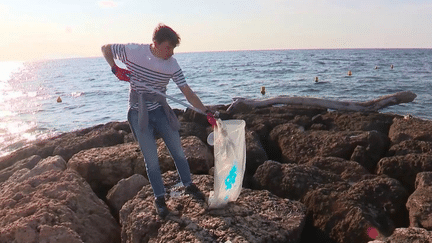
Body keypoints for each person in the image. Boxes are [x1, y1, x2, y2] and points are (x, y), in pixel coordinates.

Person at [101, 24, 216, 219]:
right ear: (155, 43)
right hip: (139, 112)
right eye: (167, 47)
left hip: (161, 110)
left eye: (173, 48)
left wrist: (206, 111)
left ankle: (188, 184)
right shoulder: (134, 51)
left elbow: (187, 92)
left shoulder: (172, 64)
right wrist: (115, 69)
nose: (170, 52)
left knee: (178, 151)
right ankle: (160, 199)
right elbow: (106, 48)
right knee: (151, 159)